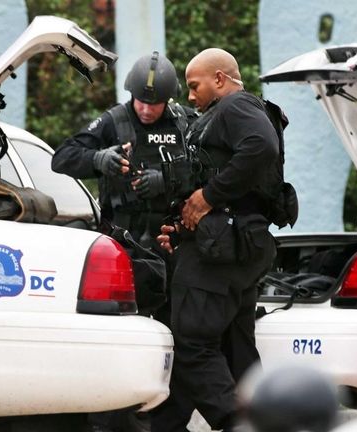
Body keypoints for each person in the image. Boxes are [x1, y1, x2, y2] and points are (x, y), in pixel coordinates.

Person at [151, 48, 281, 432]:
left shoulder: (235, 107)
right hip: (236, 245)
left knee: (192, 344)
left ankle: (240, 423)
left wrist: (209, 197)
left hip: (220, 252)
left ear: (220, 79)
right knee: (236, 347)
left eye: (195, 86)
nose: (190, 96)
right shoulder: (236, 111)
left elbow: (262, 146)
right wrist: (184, 219)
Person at [51, 51, 196, 250]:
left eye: (154, 104)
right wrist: (98, 159)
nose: (146, 110)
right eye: (141, 101)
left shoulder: (183, 122)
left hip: (172, 240)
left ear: (168, 99)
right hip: (122, 240)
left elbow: (213, 169)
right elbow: (61, 158)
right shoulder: (113, 121)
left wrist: (166, 179)